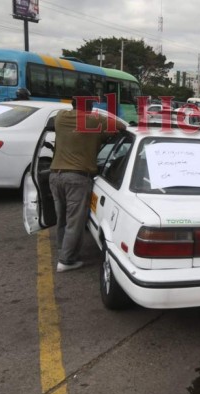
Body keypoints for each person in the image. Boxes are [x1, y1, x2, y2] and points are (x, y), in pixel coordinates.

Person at [49, 88, 126, 272]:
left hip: (55, 175)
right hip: (77, 178)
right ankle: (66, 261)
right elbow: (121, 127)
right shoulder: (94, 120)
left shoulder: (60, 117)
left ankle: (63, 249)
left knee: (62, 219)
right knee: (75, 221)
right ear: (90, 105)